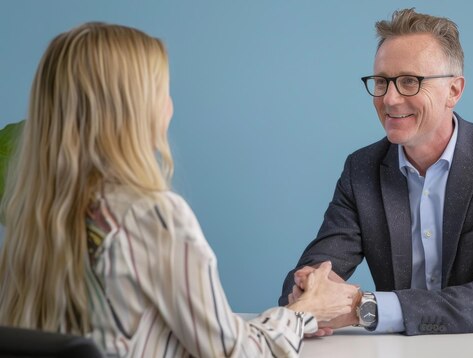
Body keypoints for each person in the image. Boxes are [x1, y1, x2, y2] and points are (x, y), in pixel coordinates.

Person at [0, 22, 357, 357]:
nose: (169, 105)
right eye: (161, 91)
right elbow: (235, 352)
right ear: (131, 109)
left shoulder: (34, 219)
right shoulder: (150, 215)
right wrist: (306, 311)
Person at [280, 8, 473, 336]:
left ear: (454, 91)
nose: (389, 99)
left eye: (409, 81)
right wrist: (310, 294)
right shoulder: (361, 170)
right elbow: (317, 268)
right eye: (381, 81)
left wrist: (362, 308)